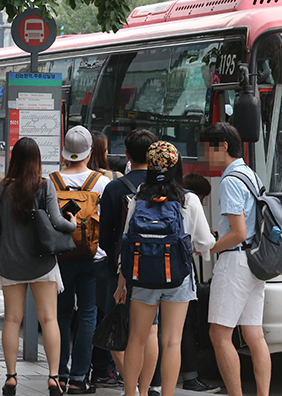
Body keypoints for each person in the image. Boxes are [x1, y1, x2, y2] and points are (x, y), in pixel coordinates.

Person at [117, 141, 215, 396]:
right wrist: (196, 248)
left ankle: (131, 394)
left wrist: (122, 281)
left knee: (137, 339)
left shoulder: (139, 196)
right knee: (172, 341)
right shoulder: (188, 199)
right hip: (178, 278)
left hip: (142, 277)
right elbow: (205, 242)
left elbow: (127, 239)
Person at [0, 137, 77, 396]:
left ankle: (11, 378)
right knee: (49, 319)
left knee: (12, 320)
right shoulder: (44, 186)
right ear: (37, 160)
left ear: (13, 159)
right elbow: (59, 223)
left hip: (10, 263)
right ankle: (53, 378)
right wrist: (73, 223)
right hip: (41, 263)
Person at [201, 122, 271, 396]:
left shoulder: (230, 181)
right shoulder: (251, 175)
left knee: (219, 335)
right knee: (255, 335)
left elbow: (239, 233)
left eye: (209, 149)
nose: (206, 156)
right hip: (256, 263)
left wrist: (210, 247)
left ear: (223, 146)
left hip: (235, 264)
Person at [99, 128, 160, 396]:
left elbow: (104, 238)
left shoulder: (114, 188)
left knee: (117, 326)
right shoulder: (162, 186)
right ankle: (148, 387)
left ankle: (132, 387)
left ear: (126, 155)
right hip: (156, 266)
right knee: (150, 331)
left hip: (121, 267)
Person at [55, 126, 110, 394]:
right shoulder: (101, 183)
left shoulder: (51, 181)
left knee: (61, 316)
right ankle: (79, 379)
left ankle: (59, 375)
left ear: (66, 153)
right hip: (93, 258)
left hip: (61, 257)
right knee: (88, 315)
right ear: (89, 153)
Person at [180, 173, 221, 393]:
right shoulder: (189, 200)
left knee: (155, 330)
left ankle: (153, 380)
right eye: (203, 197)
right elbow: (205, 241)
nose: (203, 202)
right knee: (184, 325)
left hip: (147, 272)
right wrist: (206, 248)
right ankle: (190, 376)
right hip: (180, 270)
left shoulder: (143, 194)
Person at [88, 130, 123, 387]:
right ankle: (105, 369)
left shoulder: (66, 177)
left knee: (85, 316)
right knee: (106, 316)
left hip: (78, 255)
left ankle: (81, 370)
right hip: (104, 259)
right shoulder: (112, 180)